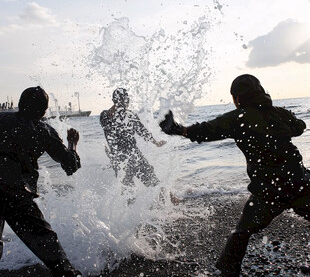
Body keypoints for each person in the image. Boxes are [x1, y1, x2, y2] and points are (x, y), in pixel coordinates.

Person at [159, 74, 310, 276]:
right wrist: (286, 115)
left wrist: (177, 129)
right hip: (299, 180)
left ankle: (228, 271)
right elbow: (300, 127)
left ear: (237, 98)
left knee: (242, 232)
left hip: (269, 189)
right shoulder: (277, 113)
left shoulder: (238, 118)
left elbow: (206, 131)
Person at [0, 86, 82, 277]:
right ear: (44, 111)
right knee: (49, 248)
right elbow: (71, 166)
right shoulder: (43, 130)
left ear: (20, 104)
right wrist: (72, 143)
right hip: (16, 194)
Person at [100, 88, 166, 198]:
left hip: (134, 156)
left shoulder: (130, 115)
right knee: (129, 192)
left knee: (154, 183)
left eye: (126, 99)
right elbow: (108, 124)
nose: (125, 102)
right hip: (120, 160)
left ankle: (166, 203)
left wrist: (155, 142)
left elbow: (142, 130)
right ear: (114, 101)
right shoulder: (105, 115)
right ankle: (130, 213)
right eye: (121, 100)